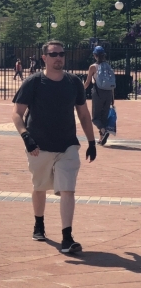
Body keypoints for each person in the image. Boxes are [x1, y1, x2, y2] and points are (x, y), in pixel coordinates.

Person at [11, 40, 97, 254]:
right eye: (53, 54)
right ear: (44, 58)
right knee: (40, 187)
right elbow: (17, 113)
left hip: (67, 145)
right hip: (38, 146)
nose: (58, 57)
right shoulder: (33, 82)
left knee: (67, 189)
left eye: (61, 54)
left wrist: (91, 141)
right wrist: (26, 137)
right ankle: (39, 224)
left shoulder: (73, 82)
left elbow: (83, 114)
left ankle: (67, 237)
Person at [83, 46, 115, 145]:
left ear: (94, 55)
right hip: (108, 93)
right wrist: (112, 97)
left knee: (95, 118)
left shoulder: (93, 67)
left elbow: (88, 82)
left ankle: (103, 131)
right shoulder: (108, 66)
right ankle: (101, 138)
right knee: (104, 116)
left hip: (98, 92)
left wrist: (80, 90)